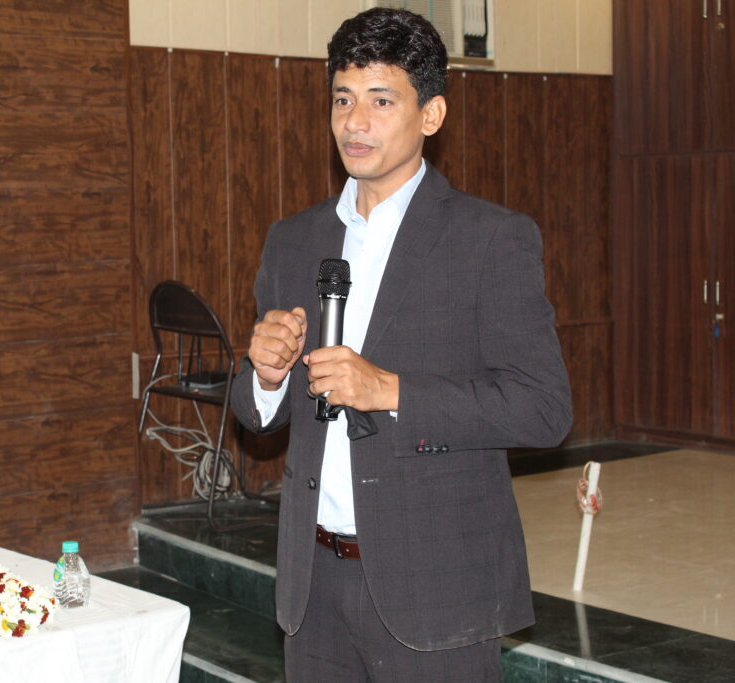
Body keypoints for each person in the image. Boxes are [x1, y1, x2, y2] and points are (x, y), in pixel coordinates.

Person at [230, 7, 573, 682]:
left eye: (381, 100)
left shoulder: (489, 240)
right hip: (313, 586)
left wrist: (390, 391)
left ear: (431, 115)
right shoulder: (294, 241)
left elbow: (543, 407)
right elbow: (257, 410)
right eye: (343, 99)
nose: (354, 122)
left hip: (435, 588)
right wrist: (265, 375)